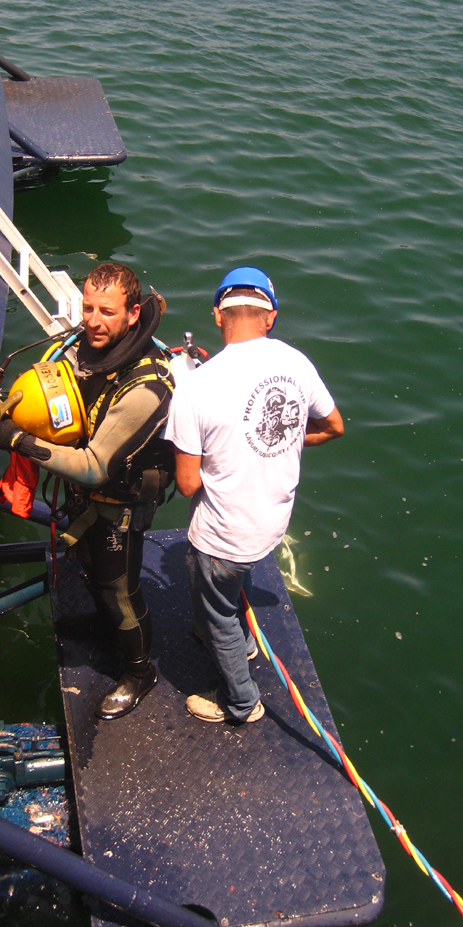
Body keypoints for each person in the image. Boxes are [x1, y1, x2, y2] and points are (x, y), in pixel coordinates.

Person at [0, 262, 174, 720]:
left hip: (119, 502)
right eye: (88, 308)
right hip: (82, 496)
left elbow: (93, 467)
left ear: (133, 313)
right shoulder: (84, 350)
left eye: (107, 312)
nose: (92, 321)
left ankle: (139, 671)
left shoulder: (148, 385)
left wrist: (20, 441)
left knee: (120, 589)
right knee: (89, 568)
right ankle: (102, 624)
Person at [165, 267, 343, 724]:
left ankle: (242, 702)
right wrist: (282, 439)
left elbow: (187, 484)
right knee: (232, 587)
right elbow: (333, 426)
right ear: (270, 317)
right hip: (271, 524)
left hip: (223, 536)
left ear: (217, 316)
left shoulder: (195, 386)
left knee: (217, 614)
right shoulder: (297, 362)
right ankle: (244, 643)